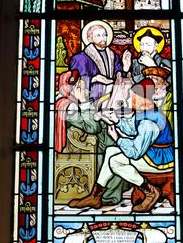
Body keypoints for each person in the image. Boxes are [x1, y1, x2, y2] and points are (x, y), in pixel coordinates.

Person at [68, 79, 174, 213]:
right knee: (111, 151)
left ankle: (150, 192)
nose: (129, 100)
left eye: (131, 97)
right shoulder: (145, 112)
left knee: (115, 161)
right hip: (151, 152)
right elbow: (133, 130)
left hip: (159, 159)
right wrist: (116, 121)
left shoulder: (149, 123)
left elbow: (135, 152)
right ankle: (95, 197)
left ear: (141, 98)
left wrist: (117, 138)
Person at [55, 70, 129, 205]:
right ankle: (108, 194)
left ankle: (109, 190)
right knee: (114, 148)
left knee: (114, 141)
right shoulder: (68, 106)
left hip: (90, 140)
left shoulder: (68, 101)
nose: (86, 90)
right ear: (73, 88)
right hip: (84, 146)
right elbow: (92, 128)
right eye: (82, 87)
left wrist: (98, 115)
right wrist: (84, 101)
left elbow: (89, 122)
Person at [70, 20, 131, 102]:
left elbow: (119, 75)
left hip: (112, 97)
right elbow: (76, 82)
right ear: (90, 38)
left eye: (105, 35)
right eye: (98, 35)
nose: (103, 38)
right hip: (91, 99)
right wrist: (94, 79)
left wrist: (125, 68)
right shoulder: (80, 58)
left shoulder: (113, 56)